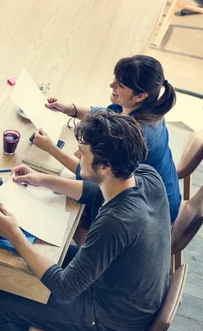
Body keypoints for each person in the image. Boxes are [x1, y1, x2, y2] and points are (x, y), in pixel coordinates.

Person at [0, 111, 171, 331]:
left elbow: (65, 286)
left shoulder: (115, 222)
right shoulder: (145, 175)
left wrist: (14, 235)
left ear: (106, 166)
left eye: (83, 153)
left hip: (111, 321)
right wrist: (42, 180)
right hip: (127, 291)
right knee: (49, 250)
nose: (77, 156)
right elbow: (96, 191)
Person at [32, 55, 180, 225]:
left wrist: (51, 148)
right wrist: (70, 110)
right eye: (115, 79)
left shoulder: (135, 135)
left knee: (59, 210)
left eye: (121, 85)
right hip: (163, 195)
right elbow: (108, 115)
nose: (112, 85)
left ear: (140, 96)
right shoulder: (149, 109)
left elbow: (93, 175)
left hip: (151, 213)